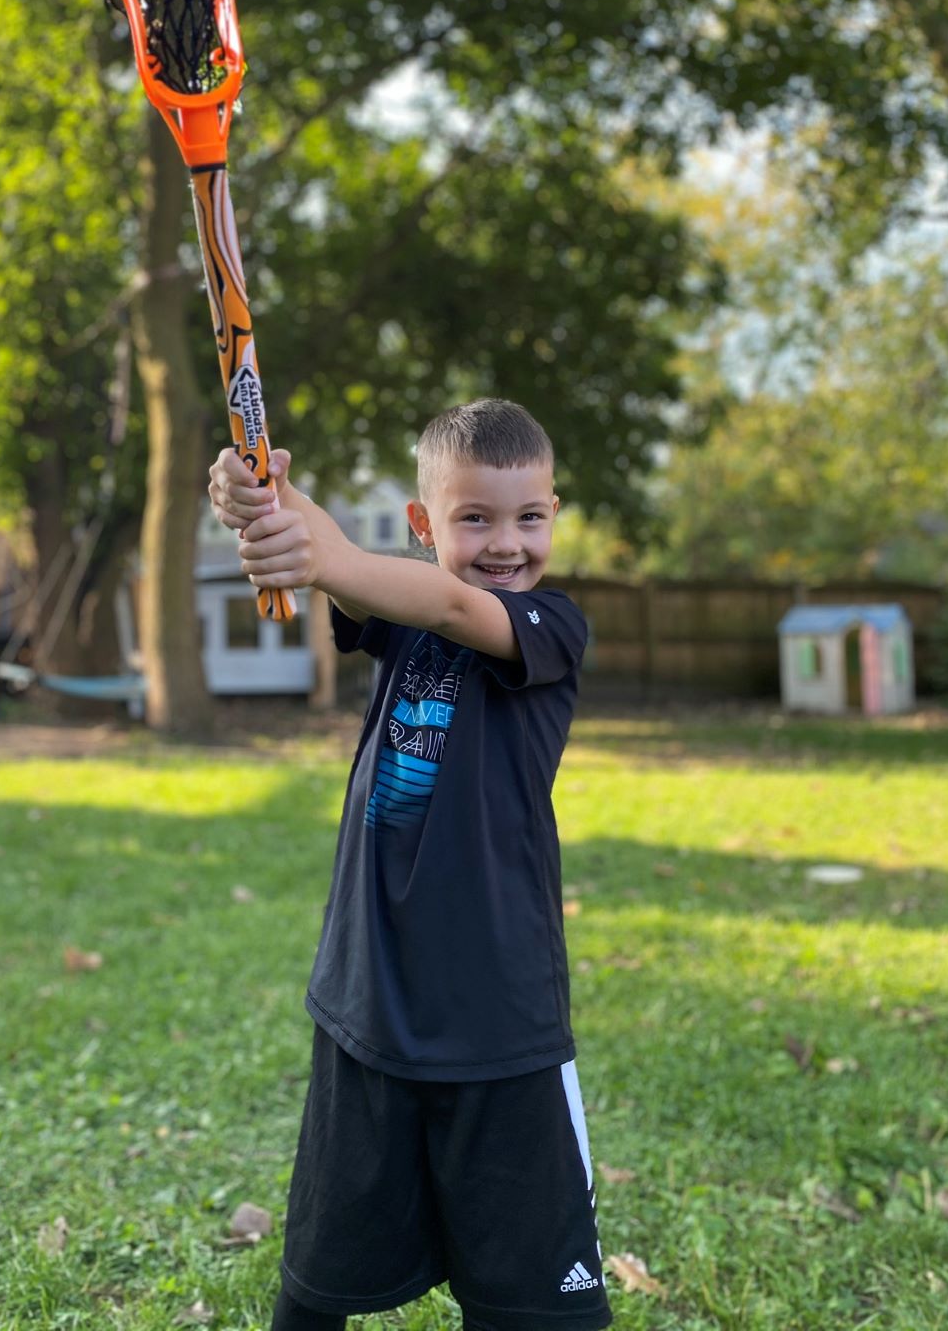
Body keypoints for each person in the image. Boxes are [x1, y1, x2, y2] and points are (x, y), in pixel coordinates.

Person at [207, 398, 612, 1331]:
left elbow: (446, 600)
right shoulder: (396, 610)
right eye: (475, 518)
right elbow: (360, 578)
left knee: (536, 1305)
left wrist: (330, 556)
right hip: (368, 1000)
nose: (506, 542)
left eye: (529, 517)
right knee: (318, 1278)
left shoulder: (551, 627)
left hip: (499, 1017)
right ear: (424, 525)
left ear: (555, 514)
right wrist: (258, 495)